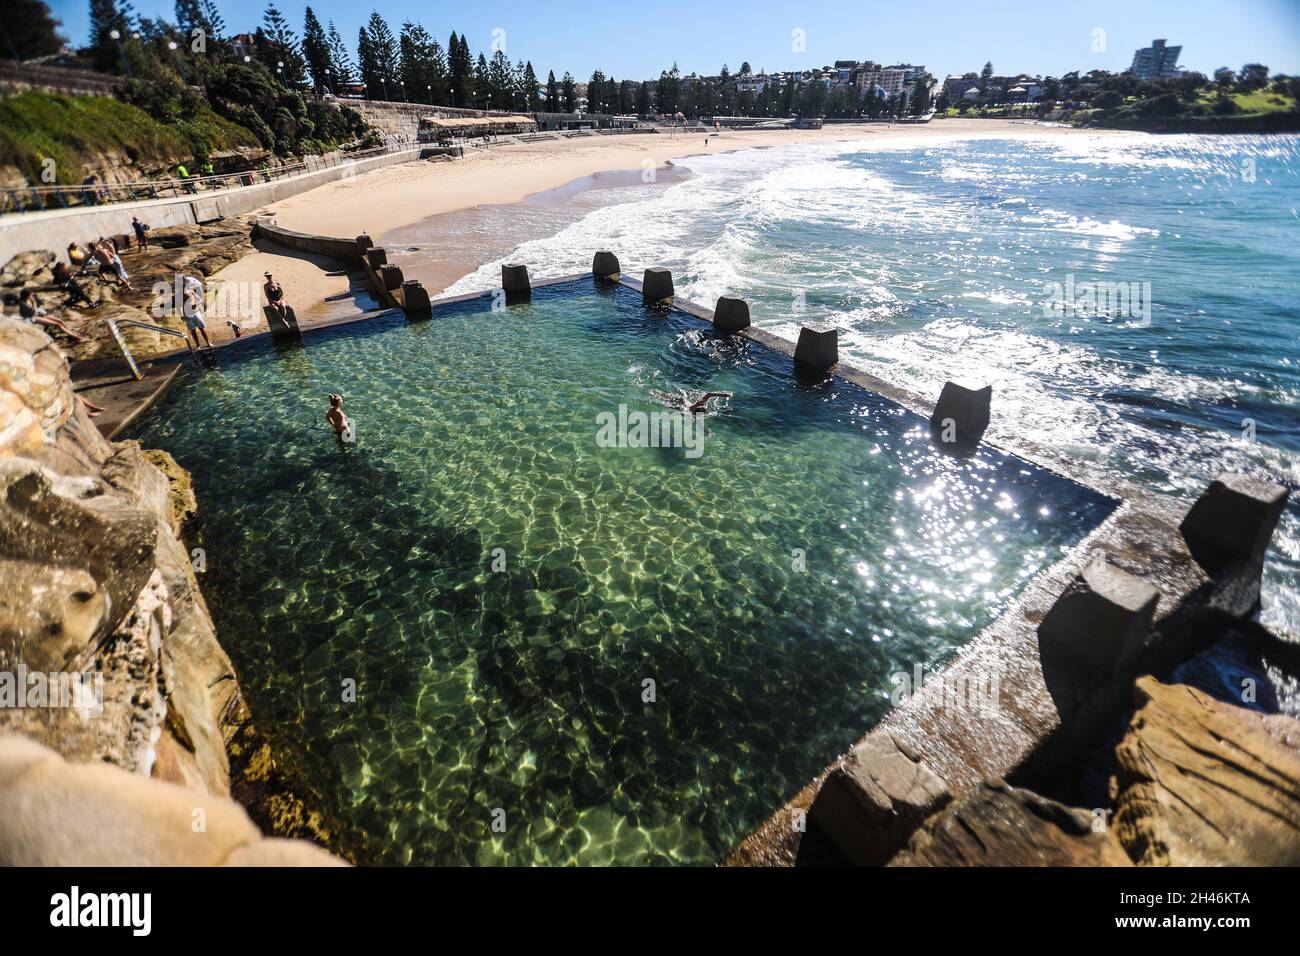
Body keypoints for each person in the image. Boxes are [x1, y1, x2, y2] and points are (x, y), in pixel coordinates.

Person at [17, 289, 84, 341]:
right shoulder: (23, 304)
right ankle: (73, 336)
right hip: (33, 317)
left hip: (38, 314)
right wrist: (34, 302)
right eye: (31, 295)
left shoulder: (28, 300)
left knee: (60, 321)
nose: (32, 296)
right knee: (57, 324)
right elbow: (34, 312)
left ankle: (70, 332)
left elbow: (36, 310)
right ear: (27, 295)